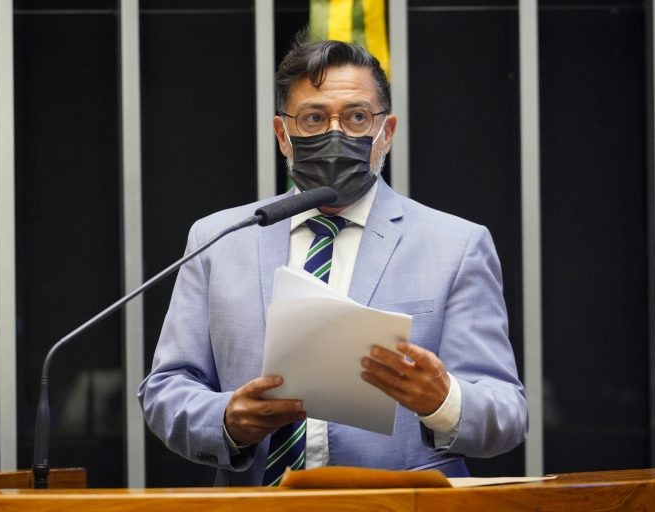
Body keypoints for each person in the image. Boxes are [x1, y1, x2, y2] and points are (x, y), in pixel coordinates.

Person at [138, 37, 527, 486]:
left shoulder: (457, 245)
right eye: (314, 118)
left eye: (358, 117)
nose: (336, 134)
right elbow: (165, 390)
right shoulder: (220, 240)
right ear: (283, 135)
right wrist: (227, 419)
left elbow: (508, 413)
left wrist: (444, 401)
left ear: (388, 132)